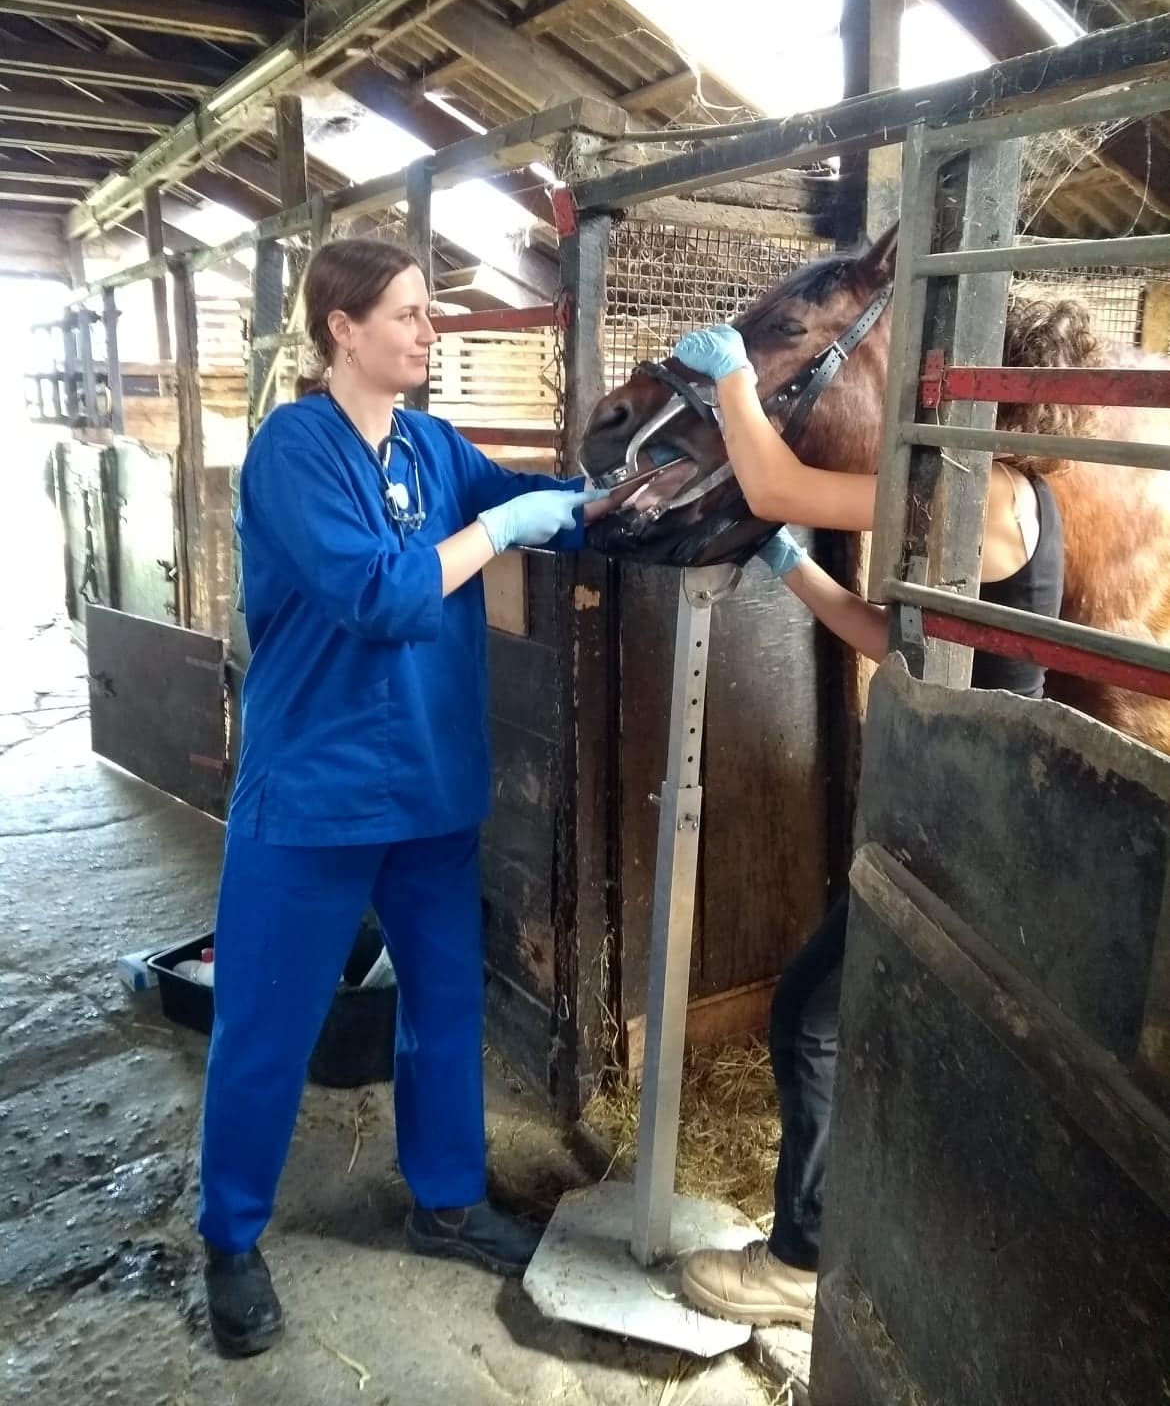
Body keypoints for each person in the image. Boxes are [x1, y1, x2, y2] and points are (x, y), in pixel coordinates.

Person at [199, 237, 610, 1358]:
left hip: (429, 784)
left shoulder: (431, 447)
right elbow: (379, 595)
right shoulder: (292, 451)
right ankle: (230, 1239)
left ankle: (448, 1203)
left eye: (429, 313)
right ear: (343, 328)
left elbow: (532, 505)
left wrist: (633, 490)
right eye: (409, 314)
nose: (431, 332)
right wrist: (498, 532)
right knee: (267, 1023)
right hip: (317, 792)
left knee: (444, 1008)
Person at [664, 312, 1072, 1330]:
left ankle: (801, 1263)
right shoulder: (1017, 502)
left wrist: (733, 380)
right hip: (957, 806)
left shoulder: (986, 501)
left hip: (962, 820)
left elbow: (775, 485)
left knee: (806, 1016)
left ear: (994, 393)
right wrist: (792, 565)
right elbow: (896, 642)